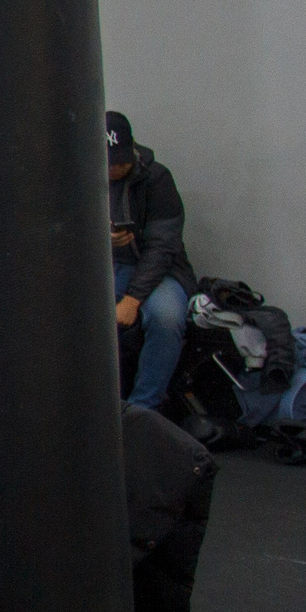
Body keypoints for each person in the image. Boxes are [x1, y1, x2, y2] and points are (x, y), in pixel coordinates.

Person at [108, 111, 198, 411]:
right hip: (110, 267)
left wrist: (133, 299)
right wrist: (102, 239)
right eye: (107, 162)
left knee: (166, 317)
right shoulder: (82, 178)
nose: (113, 168)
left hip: (161, 270)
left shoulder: (157, 178)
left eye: (120, 161)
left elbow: (163, 245)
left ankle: (143, 411)